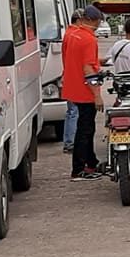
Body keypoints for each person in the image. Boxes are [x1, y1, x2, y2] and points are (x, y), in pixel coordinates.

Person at [63, 5, 106, 180]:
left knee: (86, 126)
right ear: (92, 20)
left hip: (73, 87)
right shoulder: (88, 39)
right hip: (84, 90)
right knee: (85, 129)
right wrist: (97, 95)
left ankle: (91, 162)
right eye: (97, 21)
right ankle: (79, 169)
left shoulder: (72, 34)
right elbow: (88, 69)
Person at [60, 9, 88, 153]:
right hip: (75, 78)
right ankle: (70, 143)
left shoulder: (69, 34)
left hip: (69, 76)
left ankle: (70, 141)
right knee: (74, 111)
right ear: (78, 20)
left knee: (72, 111)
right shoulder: (74, 35)